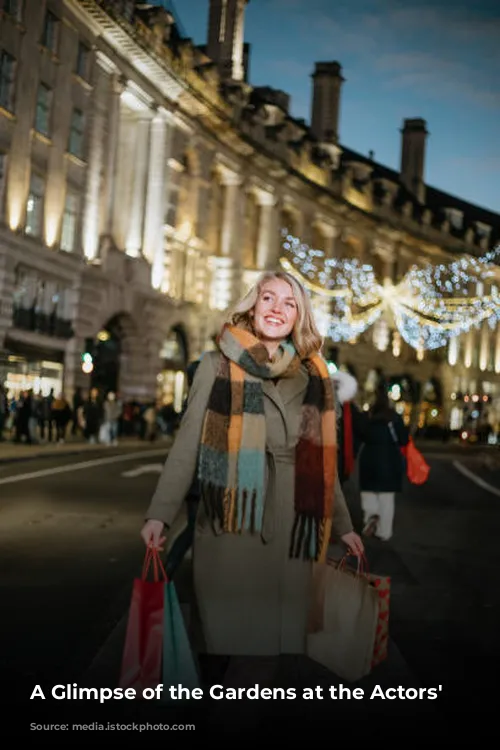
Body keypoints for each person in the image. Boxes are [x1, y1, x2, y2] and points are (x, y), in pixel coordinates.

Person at [140, 271, 364, 686]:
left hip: (295, 531)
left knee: (264, 661)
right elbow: (187, 446)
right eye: (268, 298)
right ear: (252, 305)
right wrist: (160, 515)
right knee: (226, 653)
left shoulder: (313, 377)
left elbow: (321, 461)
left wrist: (346, 526)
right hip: (233, 525)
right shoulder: (215, 365)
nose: (277, 309)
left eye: (289, 303)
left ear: (300, 317)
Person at [358, 384, 409, 541]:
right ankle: (383, 531)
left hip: (369, 458)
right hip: (389, 459)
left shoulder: (368, 417)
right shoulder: (394, 418)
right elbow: (404, 439)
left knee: (368, 493)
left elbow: (360, 434)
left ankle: (371, 516)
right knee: (386, 499)